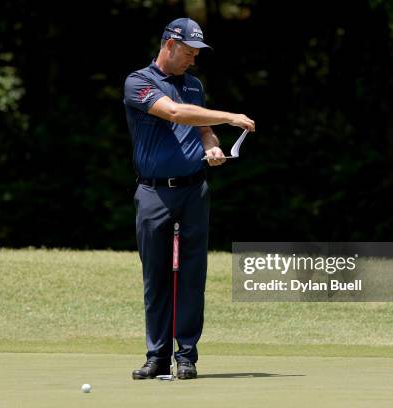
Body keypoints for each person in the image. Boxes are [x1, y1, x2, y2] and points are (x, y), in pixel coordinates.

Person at [123, 17, 255, 380]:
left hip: (194, 190)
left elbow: (204, 130)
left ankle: (187, 356)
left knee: (193, 275)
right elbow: (175, 112)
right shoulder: (139, 82)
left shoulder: (194, 86)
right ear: (169, 45)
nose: (193, 60)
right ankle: (156, 356)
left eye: (197, 54)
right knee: (157, 276)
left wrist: (213, 148)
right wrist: (231, 116)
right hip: (153, 192)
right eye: (188, 52)